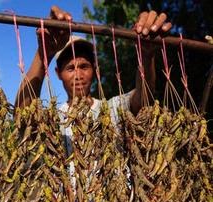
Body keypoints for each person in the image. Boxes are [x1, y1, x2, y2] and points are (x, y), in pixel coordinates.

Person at [15, 6, 172, 118]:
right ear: (58, 73)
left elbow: (143, 101)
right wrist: (44, 54)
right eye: (70, 68)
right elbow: (22, 116)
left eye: (84, 66)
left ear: (95, 69)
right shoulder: (55, 119)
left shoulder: (112, 109)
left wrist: (146, 55)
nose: (78, 75)